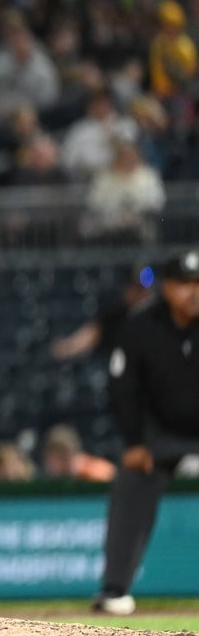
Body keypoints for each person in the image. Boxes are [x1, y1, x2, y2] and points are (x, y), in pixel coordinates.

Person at [93, 248, 199, 615]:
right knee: (131, 481)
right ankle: (114, 589)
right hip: (160, 439)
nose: (193, 291)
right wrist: (134, 442)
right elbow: (123, 389)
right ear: (166, 288)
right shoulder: (141, 325)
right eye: (184, 283)